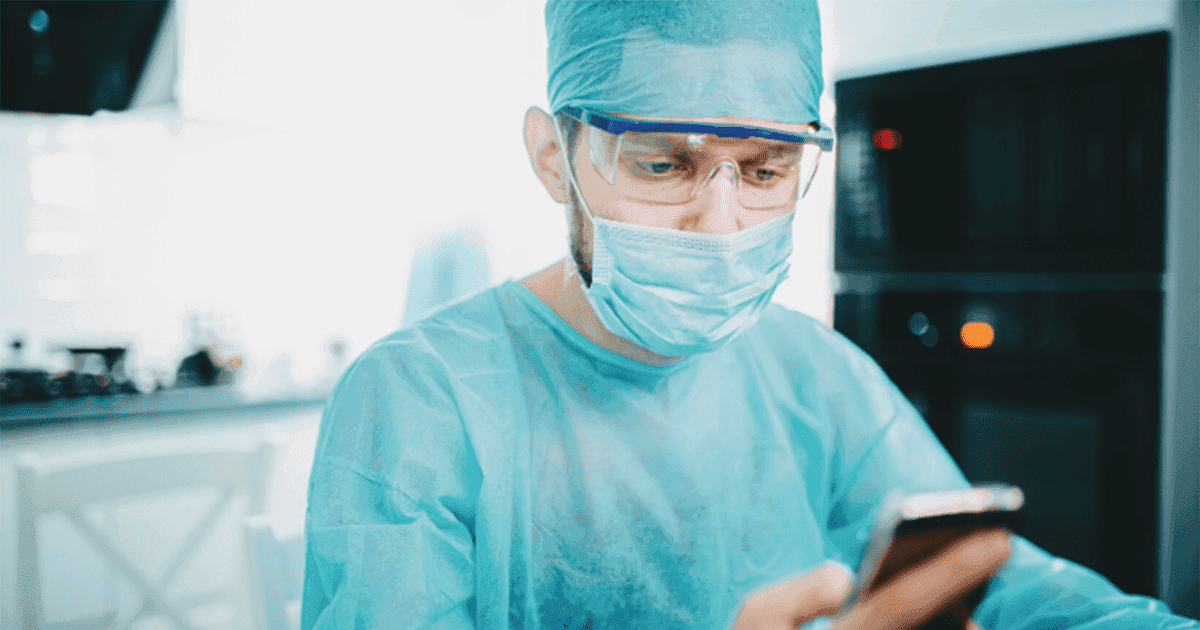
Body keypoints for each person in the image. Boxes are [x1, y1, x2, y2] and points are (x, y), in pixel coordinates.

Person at [300, 2, 1199, 629]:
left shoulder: (808, 371)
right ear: (551, 157)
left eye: (766, 171)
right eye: (663, 166)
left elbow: (1006, 583)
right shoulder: (418, 401)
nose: (721, 224)